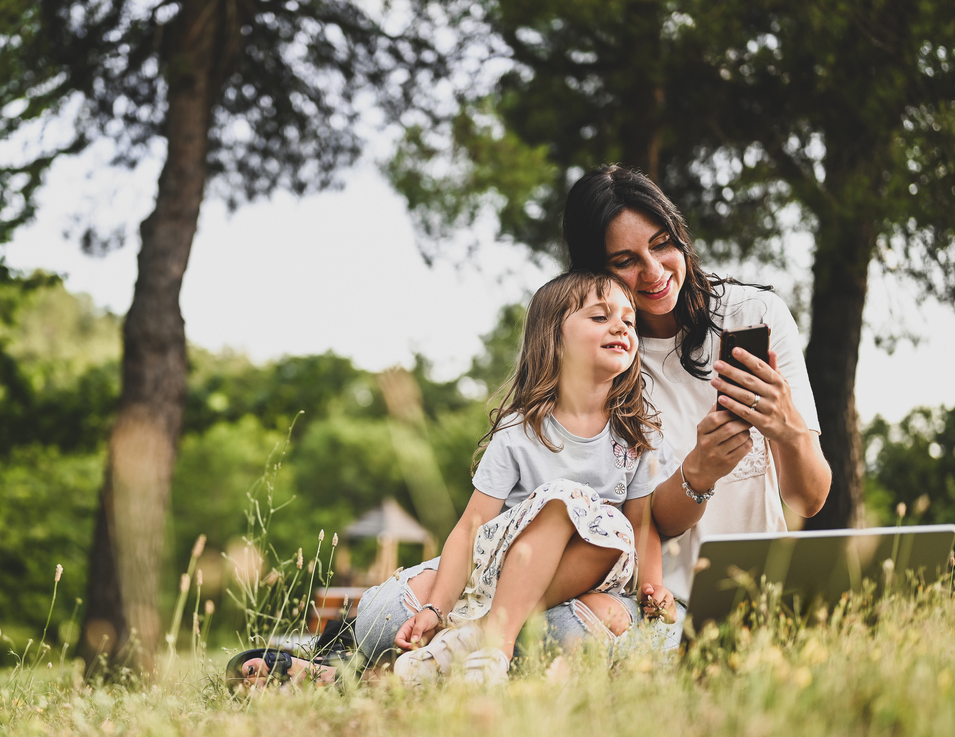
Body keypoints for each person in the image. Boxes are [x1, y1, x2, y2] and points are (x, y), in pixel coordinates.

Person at [229, 270, 699, 690]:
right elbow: (471, 527)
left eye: (629, 321)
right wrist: (435, 608)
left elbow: (642, 526)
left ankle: (458, 648)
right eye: (600, 316)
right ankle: (466, 648)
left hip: (582, 584)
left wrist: (652, 586)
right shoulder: (521, 430)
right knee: (383, 619)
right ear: (554, 339)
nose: (622, 327)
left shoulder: (639, 434)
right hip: (493, 575)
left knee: (602, 551)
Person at [540, 164, 831, 647]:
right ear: (594, 271)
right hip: (657, 604)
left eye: (661, 244)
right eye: (625, 261)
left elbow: (809, 500)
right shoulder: (604, 355)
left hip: (760, 595)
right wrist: (698, 474)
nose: (654, 272)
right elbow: (637, 524)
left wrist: (788, 428)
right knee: (567, 632)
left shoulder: (755, 314)